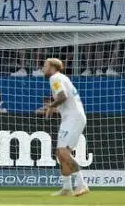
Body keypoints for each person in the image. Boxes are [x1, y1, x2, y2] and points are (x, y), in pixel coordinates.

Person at [37, 57, 90, 197]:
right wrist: (52, 108)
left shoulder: (55, 78)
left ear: (52, 67)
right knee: (60, 153)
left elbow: (63, 96)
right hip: (70, 117)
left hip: (73, 118)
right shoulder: (61, 78)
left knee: (63, 152)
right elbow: (64, 101)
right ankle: (66, 188)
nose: (43, 68)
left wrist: (51, 106)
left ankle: (81, 184)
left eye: (45, 65)